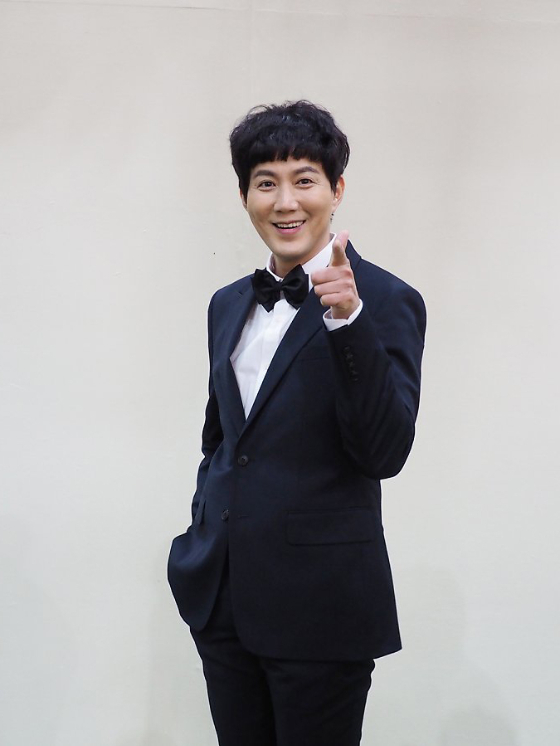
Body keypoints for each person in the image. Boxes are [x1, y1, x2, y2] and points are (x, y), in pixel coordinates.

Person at [168, 100, 426, 746]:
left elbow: (385, 451)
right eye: (266, 183)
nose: (286, 202)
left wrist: (348, 324)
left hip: (322, 607)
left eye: (304, 179)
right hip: (223, 600)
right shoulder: (227, 304)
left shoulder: (386, 299)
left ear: (336, 190)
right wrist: (201, 532)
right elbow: (223, 438)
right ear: (244, 196)